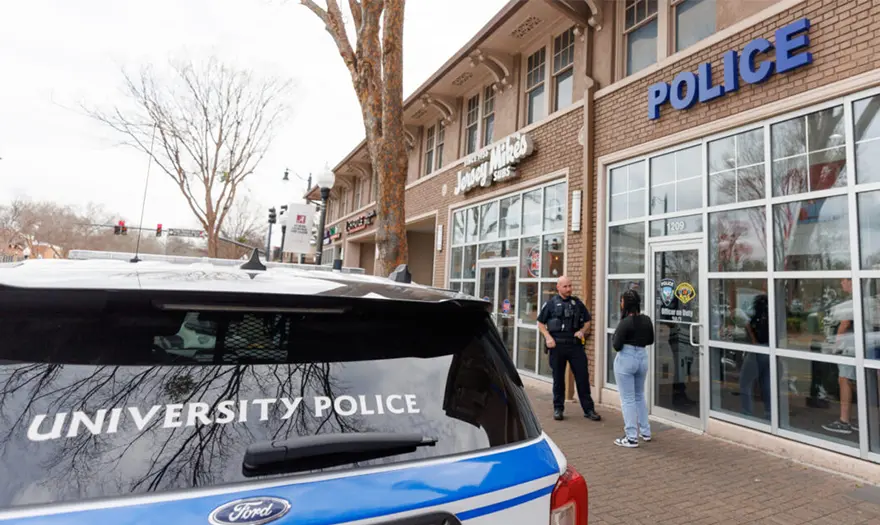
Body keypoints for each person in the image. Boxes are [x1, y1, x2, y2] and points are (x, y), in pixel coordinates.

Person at [537, 275, 601, 422]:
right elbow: (540, 323)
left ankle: (589, 409)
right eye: (565, 286)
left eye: (570, 286)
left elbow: (587, 321)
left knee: (582, 377)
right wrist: (548, 337)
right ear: (558, 287)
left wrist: (582, 331)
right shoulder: (551, 304)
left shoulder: (577, 303)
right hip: (557, 346)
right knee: (558, 379)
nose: (568, 289)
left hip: (575, 346)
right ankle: (558, 408)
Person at [611, 289, 654, 448]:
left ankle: (631, 437)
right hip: (642, 356)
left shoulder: (625, 322)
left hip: (626, 358)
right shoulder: (646, 320)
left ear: (626, 304)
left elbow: (616, 346)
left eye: (622, 301)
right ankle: (645, 431)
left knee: (627, 399)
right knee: (639, 396)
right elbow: (651, 339)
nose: (620, 304)